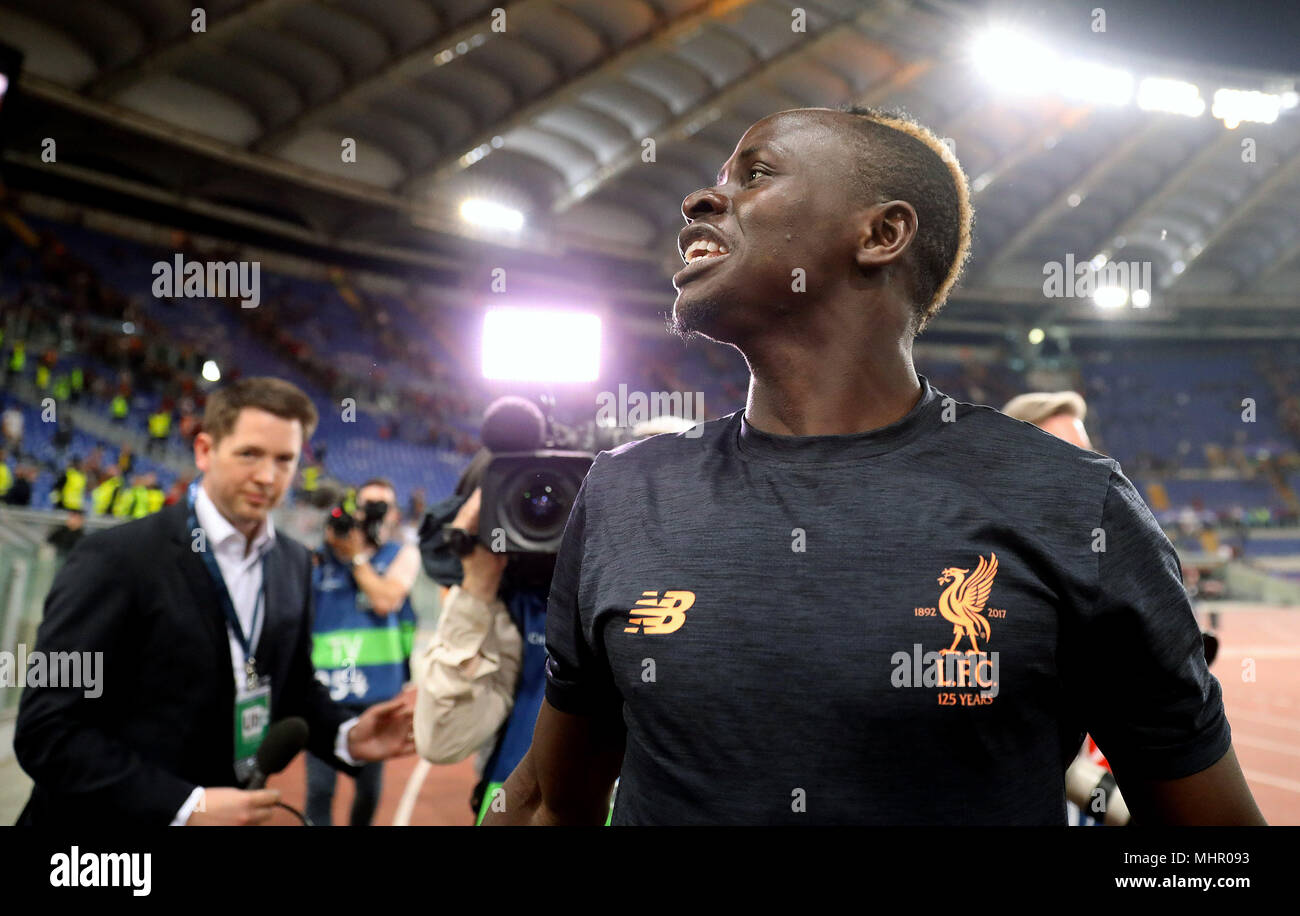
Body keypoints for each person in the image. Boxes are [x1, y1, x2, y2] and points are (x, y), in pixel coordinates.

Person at [485, 105, 1264, 826]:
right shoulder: (625, 491)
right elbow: (552, 802)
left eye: (754, 174)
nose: (699, 199)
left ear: (881, 234)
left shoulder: (1071, 505)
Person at [14, 377, 417, 825]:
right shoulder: (114, 559)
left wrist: (348, 735)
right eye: (249, 454)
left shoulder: (294, 562)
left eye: (284, 460)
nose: (267, 477)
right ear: (205, 450)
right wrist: (185, 808)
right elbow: (46, 729)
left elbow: (291, 684)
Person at [307, 477, 419, 826]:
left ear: (394, 515)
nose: (372, 514)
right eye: (366, 505)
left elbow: (385, 600)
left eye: (380, 506)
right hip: (325, 689)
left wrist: (356, 556)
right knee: (320, 790)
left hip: (377, 692)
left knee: (368, 791)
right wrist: (333, 544)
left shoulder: (401, 554)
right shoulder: (322, 558)